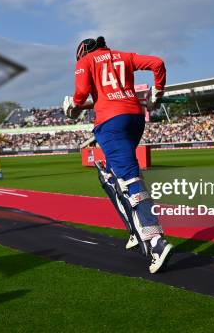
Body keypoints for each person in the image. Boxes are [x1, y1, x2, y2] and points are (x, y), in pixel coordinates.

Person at [64, 36, 173, 274]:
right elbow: (157, 63)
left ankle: (156, 241)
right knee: (110, 176)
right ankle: (136, 231)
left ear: (83, 52)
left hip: (110, 123)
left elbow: (81, 92)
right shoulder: (123, 55)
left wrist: (72, 105)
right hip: (134, 117)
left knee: (130, 179)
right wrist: (158, 92)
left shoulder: (86, 61)